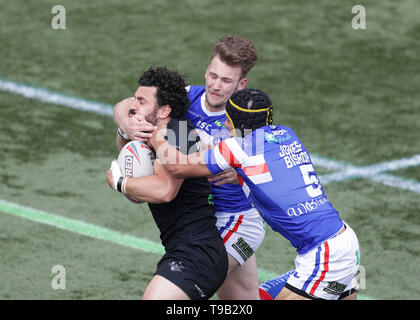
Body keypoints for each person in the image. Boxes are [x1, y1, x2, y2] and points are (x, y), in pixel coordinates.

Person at [148, 88, 361, 300]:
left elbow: (178, 167)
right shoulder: (287, 134)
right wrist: (239, 175)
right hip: (344, 241)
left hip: (324, 256)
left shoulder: (238, 148)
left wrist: (158, 136)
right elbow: (275, 172)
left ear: (231, 122)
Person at [113, 35, 265, 300]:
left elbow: (267, 170)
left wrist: (242, 174)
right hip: (205, 215)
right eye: (212, 75)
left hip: (235, 219)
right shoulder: (187, 98)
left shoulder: (245, 119)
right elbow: (131, 103)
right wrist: (126, 124)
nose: (216, 86)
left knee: (187, 281)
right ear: (206, 70)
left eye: (226, 81)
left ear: (241, 84)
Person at [106, 66, 228, 300]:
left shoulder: (179, 133)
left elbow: (165, 191)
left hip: (197, 254)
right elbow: (129, 156)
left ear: (163, 111)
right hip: (185, 250)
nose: (134, 106)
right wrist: (125, 130)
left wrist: (119, 183)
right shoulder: (157, 136)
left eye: (141, 101)